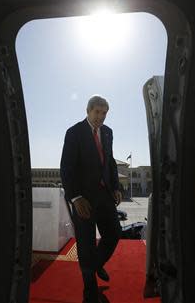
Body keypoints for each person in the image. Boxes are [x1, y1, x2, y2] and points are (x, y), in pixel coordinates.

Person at [60, 95, 122, 303]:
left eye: (104, 113)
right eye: (97, 112)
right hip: (83, 199)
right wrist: (75, 198)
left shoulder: (107, 132)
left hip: (104, 195)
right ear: (88, 111)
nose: (101, 117)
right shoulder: (74, 132)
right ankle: (90, 293)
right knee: (85, 245)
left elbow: (110, 161)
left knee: (114, 233)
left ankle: (95, 265)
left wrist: (115, 186)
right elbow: (66, 168)